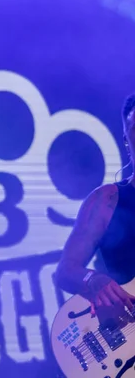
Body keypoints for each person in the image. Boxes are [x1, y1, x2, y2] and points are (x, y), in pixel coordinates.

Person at [55, 94, 135, 315]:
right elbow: (65, 271)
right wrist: (92, 280)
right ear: (127, 141)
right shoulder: (107, 200)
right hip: (124, 334)